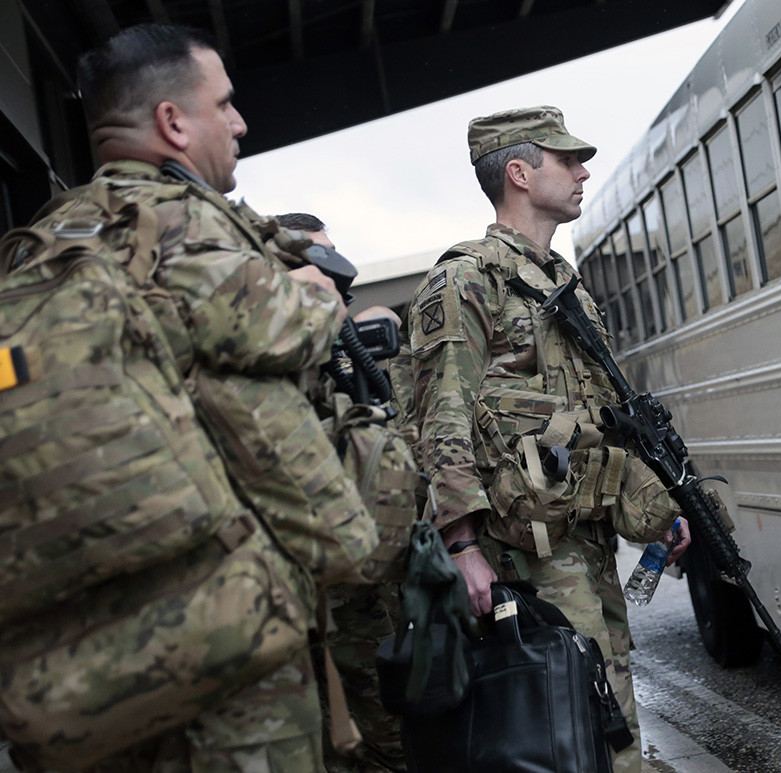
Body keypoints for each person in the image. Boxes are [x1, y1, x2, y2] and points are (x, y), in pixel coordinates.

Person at [45, 23, 367, 771]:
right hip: (232, 644)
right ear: (172, 123)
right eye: (224, 104)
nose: (240, 122)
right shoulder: (178, 224)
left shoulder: (55, 239)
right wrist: (314, 291)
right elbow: (296, 330)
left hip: (108, 653)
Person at [409, 105, 691, 773]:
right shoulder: (466, 280)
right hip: (525, 562)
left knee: (610, 718)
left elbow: (603, 421)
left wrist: (659, 507)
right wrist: (463, 546)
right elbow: (440, 418)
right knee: (565, 736)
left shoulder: (565, 289)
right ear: (519, 173)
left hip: (585, 545)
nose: (582, 169)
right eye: (566, 159)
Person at [275, 211, 411, 773]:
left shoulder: (339, 356)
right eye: (318, 260)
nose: (336, 276)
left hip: (371, 591)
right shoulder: (271, 362)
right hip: (315, 595)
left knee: (392, 728)